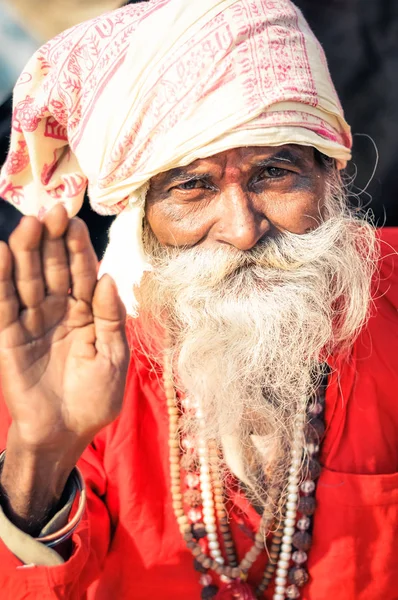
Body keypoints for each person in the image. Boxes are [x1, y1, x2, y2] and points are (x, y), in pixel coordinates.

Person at [0, 1, 397, 599]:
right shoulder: (79, 352)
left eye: (274, 172)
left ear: (330, 171)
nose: (242, 229)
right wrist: (42, 455)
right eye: (192, 186)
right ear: (142, 215)